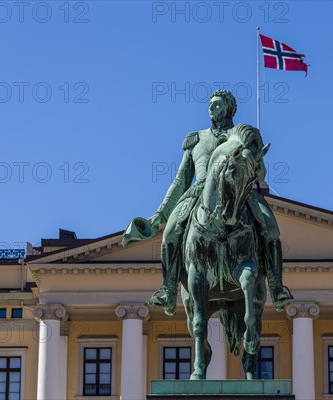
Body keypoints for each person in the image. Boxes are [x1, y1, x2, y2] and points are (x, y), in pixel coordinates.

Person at [122, 90, 292, 315]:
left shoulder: (242, 135)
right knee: (170, 232)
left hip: (241, 192)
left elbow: (259, 174)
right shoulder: (197, 139)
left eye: (218, 104)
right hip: (199, 192)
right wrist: (160, 214)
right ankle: (169, 289)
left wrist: (255, 162)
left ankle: (277, 286)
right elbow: (181, 179)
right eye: (210, 104)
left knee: (270, 227)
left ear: (230, 108)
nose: (211, 108)